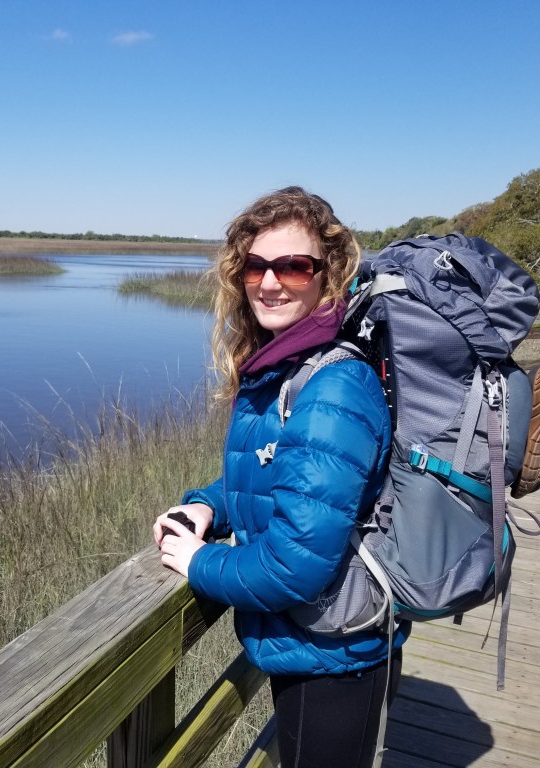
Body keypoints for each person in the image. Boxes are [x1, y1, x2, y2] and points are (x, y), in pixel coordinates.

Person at [153, 186, 407, 768]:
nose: (270, 282)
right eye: (255, 266)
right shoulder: (289, 366)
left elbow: (294, 566)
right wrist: (208, 506)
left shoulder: (332, 388)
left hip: (337, 656)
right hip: (316, 643)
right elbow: (281, 475)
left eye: (293, 266)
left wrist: (198, 561)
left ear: (327, 274)